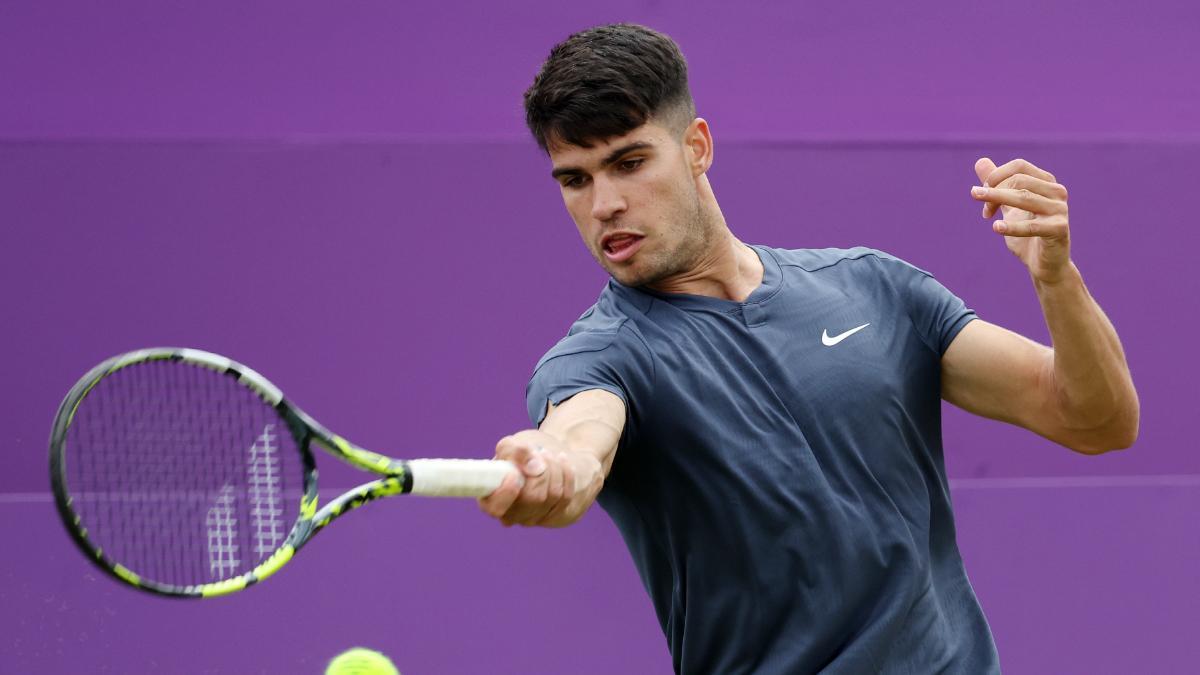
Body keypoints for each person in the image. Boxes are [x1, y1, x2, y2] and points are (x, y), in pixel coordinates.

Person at [478, 23, 1139, 674]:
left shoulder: (874, 287)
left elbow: (1094, 420)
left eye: (628, 162)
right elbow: (580, 439)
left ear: (697, 146)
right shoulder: (598, 359)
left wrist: (1057, 279)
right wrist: (558, 465)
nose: (604, 204)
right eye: (576, 179)